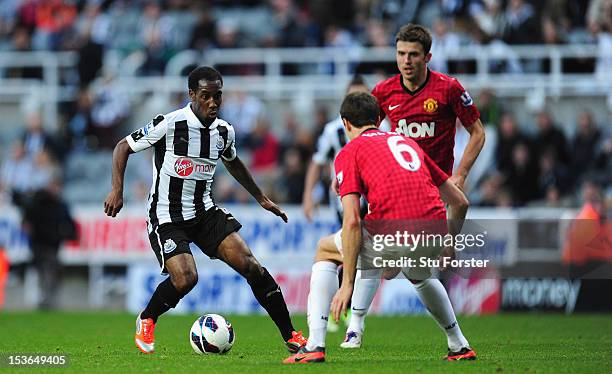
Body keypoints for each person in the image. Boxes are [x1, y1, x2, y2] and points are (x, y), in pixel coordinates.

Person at [103, 66, 307, 355]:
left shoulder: (224, 131)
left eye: (218, 96)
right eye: (206, 96)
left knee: (252, 266)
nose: (213, 103)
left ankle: (291, 335)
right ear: (192, 95)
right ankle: (147, 318)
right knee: (186, 278)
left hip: (205, 213)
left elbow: (233, 161)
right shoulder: (170, 124)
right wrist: (116, 190)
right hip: (167, 216)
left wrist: (261, 198)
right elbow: (123, 146)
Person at [284, 92, 476, 364]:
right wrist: (448, 242)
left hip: (393, 231)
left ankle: (315, 345)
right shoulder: (406, 142)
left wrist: (346, 283)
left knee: (324, 250)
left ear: (345, 123)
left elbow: (352, 221)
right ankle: (459, 345)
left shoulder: (349, 151)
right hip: (433, 228)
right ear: (379, 119)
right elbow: (460, 202)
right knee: (418, 274)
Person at [341, 23, 485, 348]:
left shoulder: (447, 89)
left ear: (428, 57)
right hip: (397, 187)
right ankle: (358, 328)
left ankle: (356, 328)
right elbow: (369, 136)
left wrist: (460, 173)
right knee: (392, 264)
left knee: (388, 261)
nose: (406, 61)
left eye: (414, 55)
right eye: (401, 54)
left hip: (435, 186)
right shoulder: (383, 92)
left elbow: (478, 132)